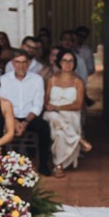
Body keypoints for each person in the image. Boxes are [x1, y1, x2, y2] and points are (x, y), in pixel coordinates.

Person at [0, 50, 53, 176]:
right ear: (12, 63)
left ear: (28, 64)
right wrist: (14, 121)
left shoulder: (37, 80)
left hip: (30, 117)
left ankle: (43, 164)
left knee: (44, 127)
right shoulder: (3, 80)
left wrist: (25, 123)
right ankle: (2, 166)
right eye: (17, 62)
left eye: (24, 62)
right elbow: (1, 103)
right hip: (10, 116)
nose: (21, 66)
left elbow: (37, 105)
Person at [44, 49, 85, 178]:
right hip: (52, 116)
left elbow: (78, 104)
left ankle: (58, 165)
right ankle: (78, 139)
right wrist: (51, 107)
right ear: (59, 62)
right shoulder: (52, 79)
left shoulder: (78, 82)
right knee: (52, 116)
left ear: (74, 63)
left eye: (71, 61)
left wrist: (57, 106)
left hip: (70, 116)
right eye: (64, 60)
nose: (67, 64)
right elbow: (46, 101)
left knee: (60, 133)